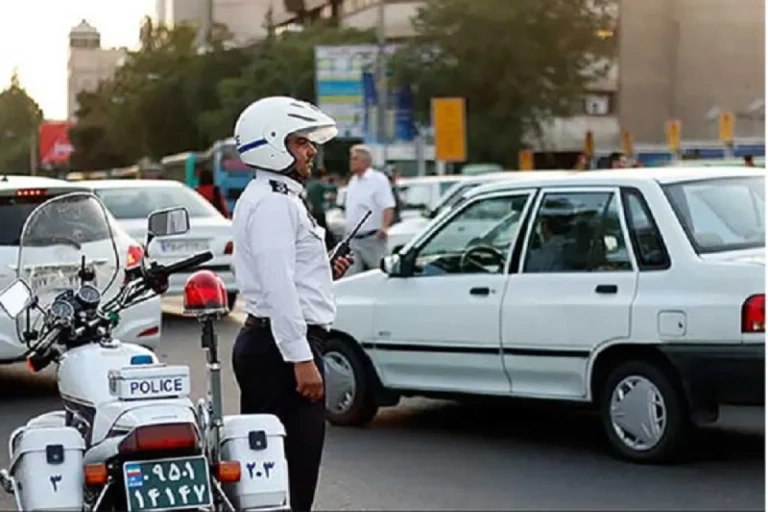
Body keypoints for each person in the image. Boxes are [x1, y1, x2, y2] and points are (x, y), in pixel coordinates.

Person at [229, 96, 354, 512]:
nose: (311, 151)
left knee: (272, 480)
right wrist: (301, 359)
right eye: (301, 142)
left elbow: (285, 276)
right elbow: (278, 287)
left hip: (272, 345)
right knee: (291, 481)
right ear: (272, 144)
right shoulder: (274, 203)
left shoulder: (271, 196)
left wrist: (324, 271)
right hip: (280, 351)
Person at [343, 144, 396, 275]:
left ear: (365, 161)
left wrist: (384, 227)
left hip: (372, 238)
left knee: (380, 273)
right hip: (353, 239)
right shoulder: (353, 181)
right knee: (351, 277)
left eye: (355, 158)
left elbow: (388, 206)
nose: (351, 162)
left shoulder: (378, 180)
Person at [304, 167, 338, 250]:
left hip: (311, 211)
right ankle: (331, 246)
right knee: (324, 230)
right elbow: (332, 188)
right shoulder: (319, 184)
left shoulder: (309, 184)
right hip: (318, 210)